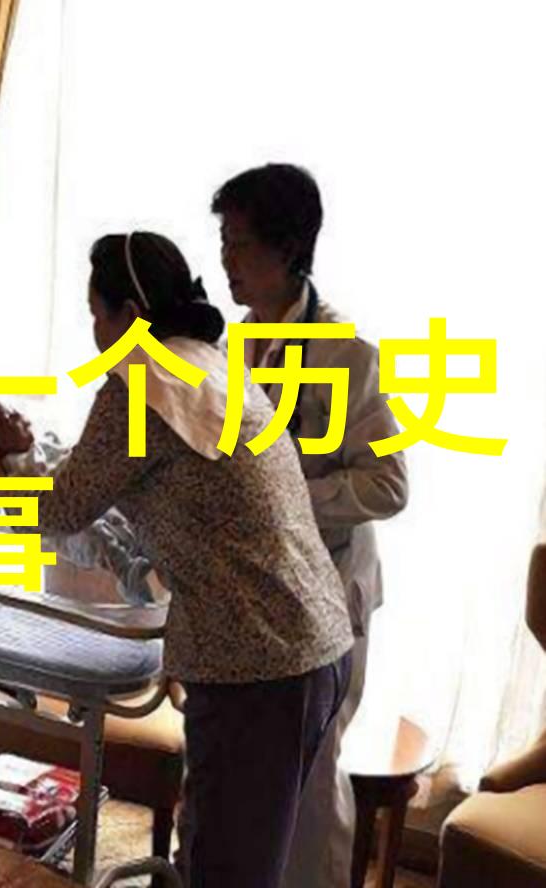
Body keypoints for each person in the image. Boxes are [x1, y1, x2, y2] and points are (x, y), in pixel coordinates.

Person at [0, 231, 354, 888]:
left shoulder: (141, 383)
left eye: (96, 315)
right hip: (308, 643)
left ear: (129, 314)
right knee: (226, 847)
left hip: (257, 661)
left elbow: (60, 510)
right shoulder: (212, 365)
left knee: (225, 866)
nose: (95, 332)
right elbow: (145, 503)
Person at [214, 163, 409, 888]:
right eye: (223, 241)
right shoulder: (233, 347)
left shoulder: (345, 353)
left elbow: (388, 484)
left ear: (289, 247)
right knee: (248, 773)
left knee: (310, 777)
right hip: (256, 590)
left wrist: (290, 495)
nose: (226, 259)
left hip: (326, 590)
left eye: (239, 243)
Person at [0, 399, 155, 604]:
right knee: (95, 537)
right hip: (67, 531)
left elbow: (69, 457)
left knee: (120, 517)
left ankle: (141, 547)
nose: (19, 416)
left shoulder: (43, 445)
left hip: (84, 502)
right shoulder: (11, 475)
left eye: (15, 412)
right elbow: (25, 511)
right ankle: (125, 572)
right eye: (9, 419)